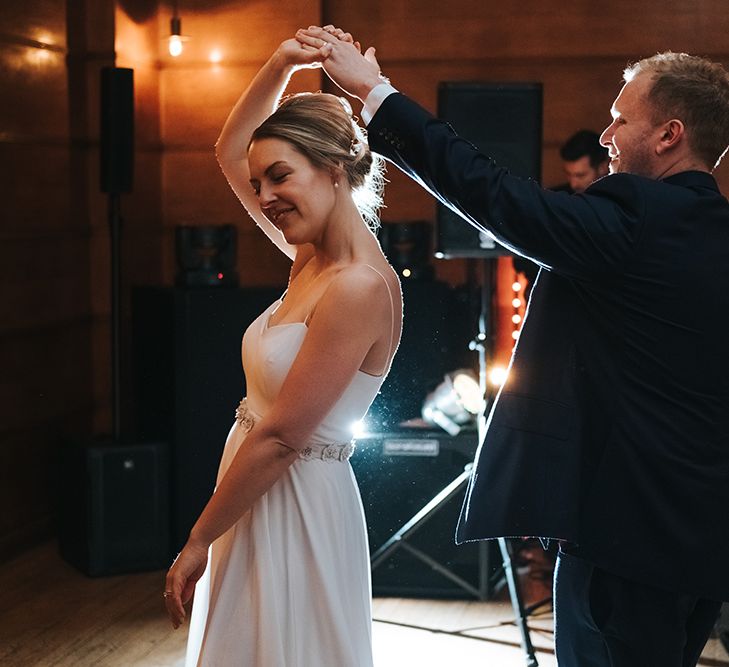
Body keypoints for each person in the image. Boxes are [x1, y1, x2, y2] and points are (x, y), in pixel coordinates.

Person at [296, 26, 729, 667]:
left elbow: (498, 198)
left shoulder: (639, 216)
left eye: (619, 120)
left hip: (625, 537)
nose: (605, 137)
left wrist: (375, 93)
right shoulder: (714, 230)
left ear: (669, 135)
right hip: (700, 540)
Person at [163, 37, 402, 667]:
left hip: (296, 503)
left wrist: (196, 541)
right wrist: (282, 63)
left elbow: (282, 438)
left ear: (330, 167)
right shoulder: (310, 257)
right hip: (254, 491)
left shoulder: (356, 286)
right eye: (258, 181)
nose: (264, 195)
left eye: (280, 175)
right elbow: (227, 150)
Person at [555, 129, 610, 193]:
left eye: (581, 175)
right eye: (568, 174)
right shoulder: (558, 197)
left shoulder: (618, 198)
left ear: (602, 168)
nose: (573, 184)